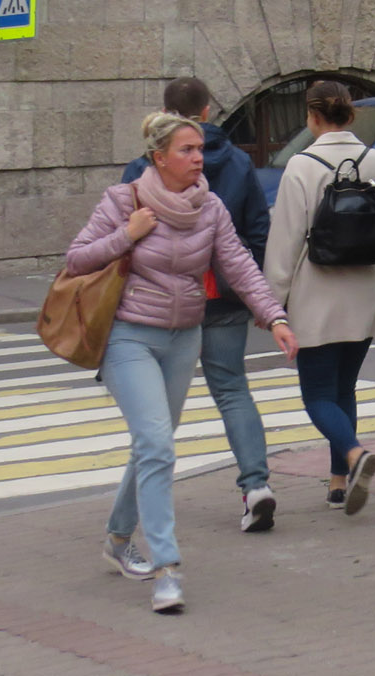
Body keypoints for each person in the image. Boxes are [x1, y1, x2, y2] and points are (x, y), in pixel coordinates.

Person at [67, 112, 297, 614]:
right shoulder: (123, 200)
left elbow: (238, 265)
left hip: (183, 338)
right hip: (129, 336)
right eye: (187, 150)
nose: (198, 158)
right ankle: (167, 569)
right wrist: (127, 235)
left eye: (199, 149)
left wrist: (274, 316)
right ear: (158, 157)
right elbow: (78, 259)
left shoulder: (209, 207)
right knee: (155, 444)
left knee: (154, 446)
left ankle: (116, 538)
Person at [120, 76, 277, 534]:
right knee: (231, 388)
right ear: (208, 111)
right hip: (223, 297)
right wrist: (251, 290)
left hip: (160, 304)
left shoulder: (141, 168)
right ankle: (256, 486)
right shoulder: (239, 162)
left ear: (165, 111)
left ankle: (142, 504)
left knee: (158, 410)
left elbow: (122, 239)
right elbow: (257, 229)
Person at [266, 80, 375, 516]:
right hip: (365, 290)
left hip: (316, 294)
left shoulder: (301, 165)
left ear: (312, 118)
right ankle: (336, 485)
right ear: (349, 115)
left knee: (317, 395)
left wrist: (272, 303)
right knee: (344, 388)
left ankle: (353, 455)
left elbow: (285, 242)